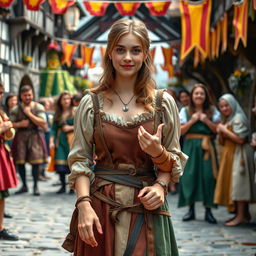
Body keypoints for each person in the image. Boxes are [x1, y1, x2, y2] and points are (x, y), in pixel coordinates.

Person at [63, 19, 187, 256]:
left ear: (145, 54)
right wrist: (84, 205)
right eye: (120, 49)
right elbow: (79, 161)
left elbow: (174, 160)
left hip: (147, 206)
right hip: (101, 206)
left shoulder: (163, 103)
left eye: (135, 50)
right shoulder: (91, 103)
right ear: (110, 53)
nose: (127, 57)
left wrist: (160, 183)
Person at [178, 83, 220, 224]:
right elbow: (180, 131)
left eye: (202, 93)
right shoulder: (185, 111)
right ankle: (191, 210)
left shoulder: (213, 111)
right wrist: (193, 120)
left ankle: (209, 211)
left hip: (207, 147)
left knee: (208, 177)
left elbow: (217, 130)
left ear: (205, 96)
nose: (199, 96)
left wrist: (205, 120)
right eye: (196, 93)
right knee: (190, 176)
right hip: (190, 147)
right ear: (192, 96)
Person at [214, 93, 256, 226]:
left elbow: (240, 139)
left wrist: (223, 130)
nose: (225, 108)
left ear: (232, 104)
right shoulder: (228, 119)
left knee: (240, 185)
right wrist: (221, 131)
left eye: (227, 105)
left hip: (241, 154)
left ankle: (241, 216)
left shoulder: (238, 118)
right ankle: (242, 214)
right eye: (222, 106)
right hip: (232, 155)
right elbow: (222, 141)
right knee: (235, 184)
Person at [10, 85, 48, 196]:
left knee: (35, 162)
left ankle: (35, 186)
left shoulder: (38, 107)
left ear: (32, 94)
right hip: (20, 136)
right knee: (20, 162)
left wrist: (29, 114)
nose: (28, 97)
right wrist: (19, 124)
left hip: (34, 135)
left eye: (29, 95)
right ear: (21, 96)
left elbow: (42, 122)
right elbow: (10, 124)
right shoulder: (15, 109)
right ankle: (24, 186)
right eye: (25, 95)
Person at [0, 82, 19, 240]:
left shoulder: (1, 111)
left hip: (1, 154)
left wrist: (8, 128)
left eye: (1, 93)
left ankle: (0, 227)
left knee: (2, 193)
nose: (0, 96)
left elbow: (9, 134)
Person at [50, 91, 75, 194]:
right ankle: (63, 186)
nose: (66, 101)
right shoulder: (58, 113)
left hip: (72, 140)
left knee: (71, 164)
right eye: (64, 99)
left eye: (68, 98)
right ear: (60, 101)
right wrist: (51, 141)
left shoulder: (75, 111)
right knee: (60, 165)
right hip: (60, 141)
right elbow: (53, 129)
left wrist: (70, 127)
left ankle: (72, 187)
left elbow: (82, 125)